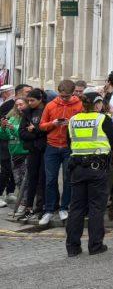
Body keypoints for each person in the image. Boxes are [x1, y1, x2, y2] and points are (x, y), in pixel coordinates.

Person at [65, 88, 113, 257]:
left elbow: (69, 143)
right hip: (97, 168)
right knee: (96, 207)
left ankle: (73, 248)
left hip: (77, 168)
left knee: (76, 208)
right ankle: (95, 246)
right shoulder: (103, 119)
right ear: (97, 104)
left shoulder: (72, 120)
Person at [39, 79, 83, 225]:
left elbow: (83, 124)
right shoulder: (51, 105)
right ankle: (49, 210)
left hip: (69, 147)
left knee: (68, 179)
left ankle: (64, 208)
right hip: (51, 146)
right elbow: (42, 126)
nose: (64, 99)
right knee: (50, 180)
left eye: (67, 96)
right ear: (58, 92)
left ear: (72, 93)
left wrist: (70, 122)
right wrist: (53, 123)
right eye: (62, 96)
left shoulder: (79, 105)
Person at [17, 88, 47, 221]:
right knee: (32, 178)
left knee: (43, 179)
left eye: (32, 100)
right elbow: (22, 132)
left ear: (40, 100)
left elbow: (47, 130)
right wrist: (35, 133)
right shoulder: (27, 112)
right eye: (28, 100)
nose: (30, 103)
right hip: (32, 150)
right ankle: (29, 207)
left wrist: (35, 130)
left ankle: (41, 207)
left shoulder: (46, 110)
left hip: (45, 149)